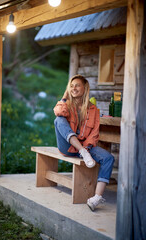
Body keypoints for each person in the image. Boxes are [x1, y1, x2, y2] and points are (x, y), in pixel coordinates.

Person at [53, 75, 114, 211]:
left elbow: (94, 134)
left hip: (86, 147)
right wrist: (64, 97)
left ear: (84, 88)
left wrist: (86, 147)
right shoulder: (67, 105)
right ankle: (82, 151)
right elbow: (57, 112)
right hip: (68, 146)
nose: (74, 88)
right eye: (72, 86)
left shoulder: (94, 110)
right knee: (59, 120)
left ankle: (96, 198)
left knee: (108, 158)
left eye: (77, 85)